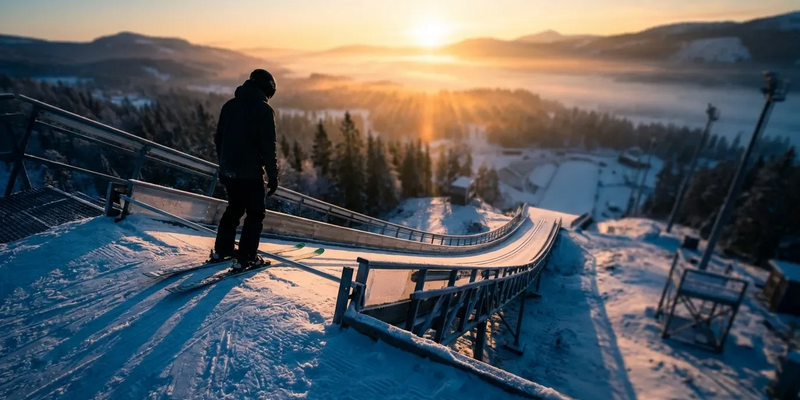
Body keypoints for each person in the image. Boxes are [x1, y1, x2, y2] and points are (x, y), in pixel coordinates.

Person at [210, 69, 279, 270]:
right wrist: (273, 175)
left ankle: (222, 250)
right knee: (255, 213)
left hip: (229, 171)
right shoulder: (264, 111)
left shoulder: (229, 106)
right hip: (250, 173)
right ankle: (247, 257)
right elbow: (268, 146)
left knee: (234, 208)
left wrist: (224, 164)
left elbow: (218, 139)